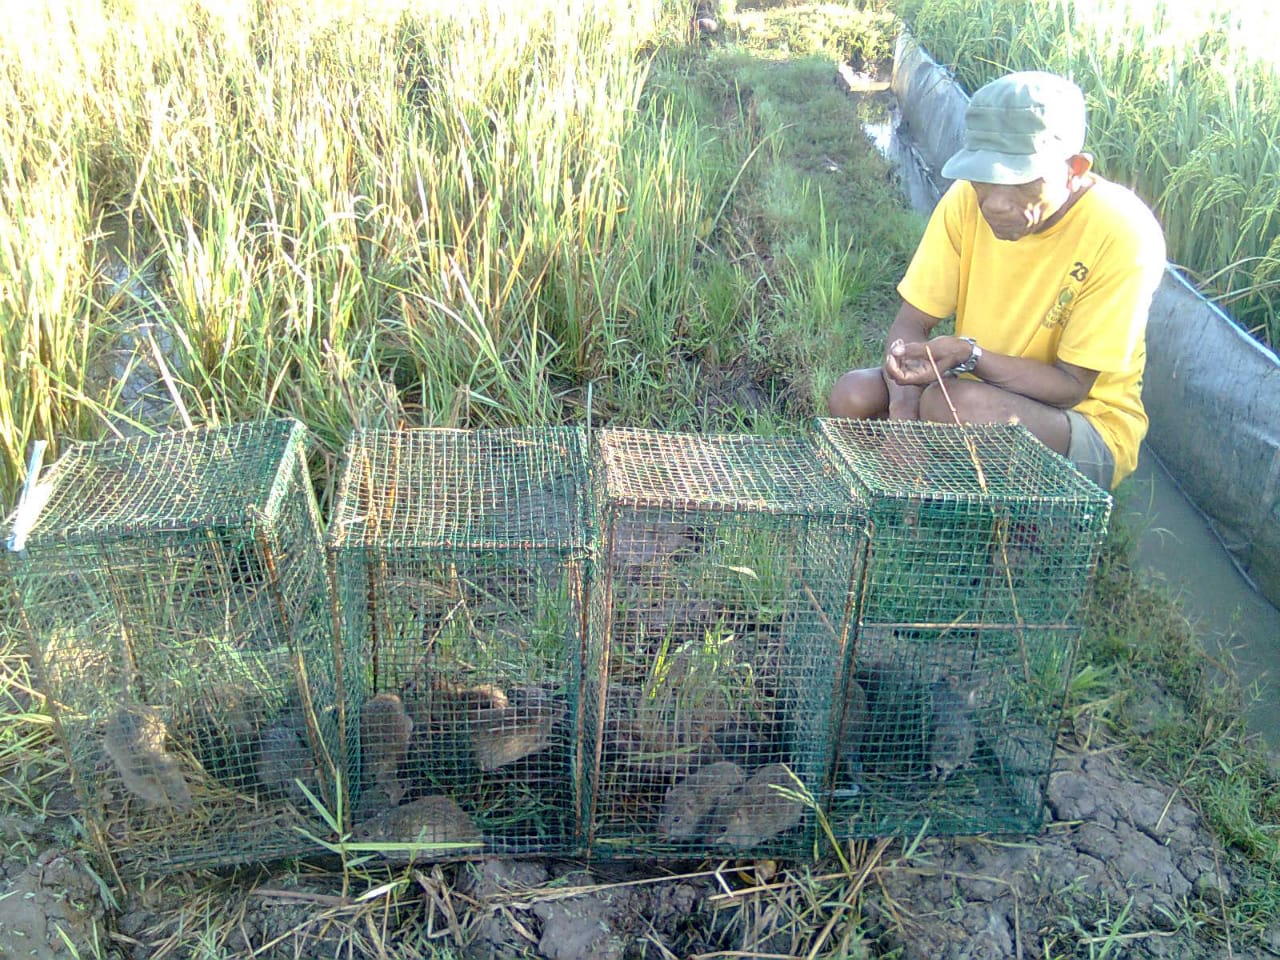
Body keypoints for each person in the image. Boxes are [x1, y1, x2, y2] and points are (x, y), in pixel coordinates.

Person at [827, 71, 1166, 490]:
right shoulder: (964, 202)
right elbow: (910, 323)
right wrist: (903, 419)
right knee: (852, 397)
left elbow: (1071, 387)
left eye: (1020, 180)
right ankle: (922, 486)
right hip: (982, 387)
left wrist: (969, 356)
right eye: (984, 179)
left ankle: (1009, 514)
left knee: (949, 406)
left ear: (1074, 170)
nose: (996, 203)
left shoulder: (1122, 233)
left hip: (1083, 419)